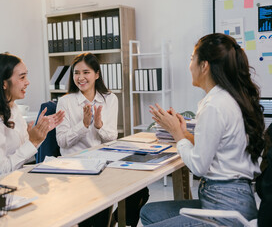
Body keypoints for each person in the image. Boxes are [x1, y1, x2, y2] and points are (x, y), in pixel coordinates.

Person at [140, 33, 266, 227]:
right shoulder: (229, 98)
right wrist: (183, 132)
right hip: (232, 199)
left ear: (204, 66)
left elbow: (199, 166)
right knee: (150, 212)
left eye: (192, 59)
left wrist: (177, 134)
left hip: (225, 207)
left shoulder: (215, 106)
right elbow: (218, 147)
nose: (189, 66)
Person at [56, 52, 149, 227]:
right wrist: (83, 126)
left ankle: (114, 220)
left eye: (86, 72)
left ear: (97, 74)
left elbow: (112, 136)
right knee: (96, 209)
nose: (80, 77)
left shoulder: (109, 99)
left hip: (103, 162)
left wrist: (98, 125)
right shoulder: (65, 102)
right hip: (75, 166)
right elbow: (62, 141)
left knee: (140, 191)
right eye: (76, 73)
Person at [0, 53, 64, 178]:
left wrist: (39, 134)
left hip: (16, 179)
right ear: (4, 83)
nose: (27, 82)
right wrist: (32, 141)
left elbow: (24, 156)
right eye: (22, 77)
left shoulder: (13, 108)